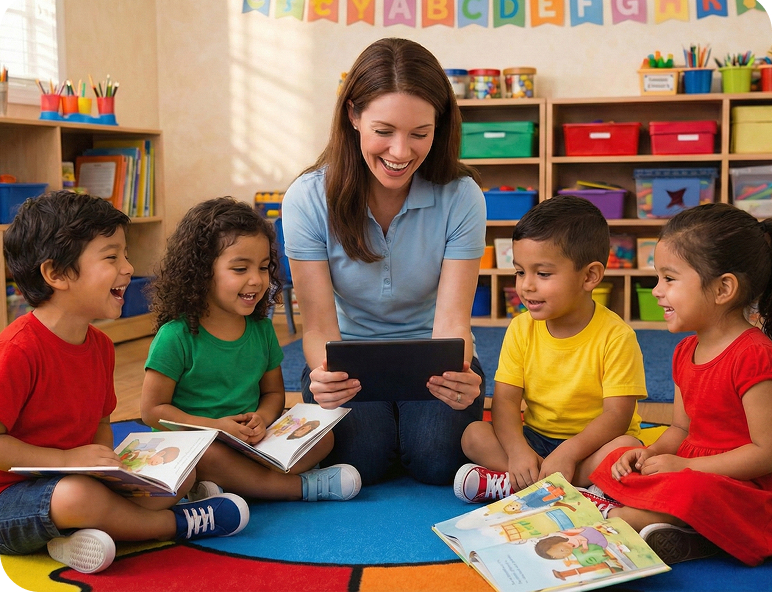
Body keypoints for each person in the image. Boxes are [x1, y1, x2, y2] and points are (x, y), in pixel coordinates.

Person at [0, 191, 249, 575]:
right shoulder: (18, 350)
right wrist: (67, 462)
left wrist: (109, 471)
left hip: (75, 478)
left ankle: (85, 534)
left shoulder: (100, 346)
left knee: (181, 469)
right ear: (57, 274)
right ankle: (176, 525)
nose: (129, 268)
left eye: (126, 255)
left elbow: (101, 423)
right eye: (111, 257)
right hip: (12, 498)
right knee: (78, 496)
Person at [281, 37, 487, 487]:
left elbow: (453, 320)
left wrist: (459, 374)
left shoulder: (462, 196)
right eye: (384, 131)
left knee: (437, 460)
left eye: (420, 134)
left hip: (433, 358)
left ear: (439, 126)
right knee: (362, 460)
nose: (400, 152)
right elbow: (318, 327)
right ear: (353, 116)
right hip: (348, 360)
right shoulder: (307, 198)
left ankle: (411, 429)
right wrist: (326, 377)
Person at [141, 197, 361, 502]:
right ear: (202, 271)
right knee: (209, 457)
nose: (257, 280)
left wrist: (262, 418)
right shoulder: (175, 336)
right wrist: (216, 427)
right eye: (240, 268)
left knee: (324, 439)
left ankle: (228, 486)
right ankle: (300, 488)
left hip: (249, 441)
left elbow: (273, 394)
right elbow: (152, 411)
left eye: (263, 267)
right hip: (200, 441)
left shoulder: (261, 330)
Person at [590, 203, 772, 567]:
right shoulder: (685, 350)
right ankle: (685, 532)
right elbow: (680, 429)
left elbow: (765, 452)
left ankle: (633, 516)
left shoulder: (755, 354)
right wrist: (652, 453)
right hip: (689, 469)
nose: (656, 291)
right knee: (616, 458)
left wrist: (686, 467)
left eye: (669, 279)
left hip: (739, 484)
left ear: (723, 288)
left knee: (689, 490)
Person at [455, 195, 647, 503]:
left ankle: (519, 482)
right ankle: (559, 484)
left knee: (625, 448)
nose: (526, 286)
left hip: (592, 445)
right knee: (473, 435)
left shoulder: (617, 336)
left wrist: (570, 452)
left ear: (590, 276)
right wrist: (518, 451)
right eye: (520, 272)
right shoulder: (520, 328)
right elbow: (505, 403)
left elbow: (617, 416)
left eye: (543, 274)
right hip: (536, 439)